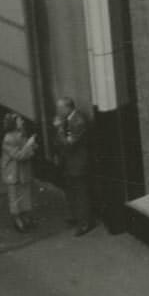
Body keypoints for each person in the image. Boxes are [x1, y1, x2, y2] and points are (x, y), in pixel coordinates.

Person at [54, 96, 95, 236]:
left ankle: (85, 223)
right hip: (68, 162)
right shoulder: (68, 119)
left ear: (67, 108)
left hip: (77, 163)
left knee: (80, 193)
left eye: (60, 109)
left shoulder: (78, 122)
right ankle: (75, 216)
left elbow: (69, 144)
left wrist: (59, 128)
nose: (58, 112)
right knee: (71, 190)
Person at [1, 112, 38, 233]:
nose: (22, 122)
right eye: (19, 120)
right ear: (14, 124)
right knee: (15, 196)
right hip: (14, 172)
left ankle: (24, 217)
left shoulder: (21, 134)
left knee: (24, 194)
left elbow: (27, 151)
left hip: (22, 171)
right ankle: (18, 220)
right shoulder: (8, 139)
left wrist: (30, 146)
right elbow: (19, 155)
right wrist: (29, 145)